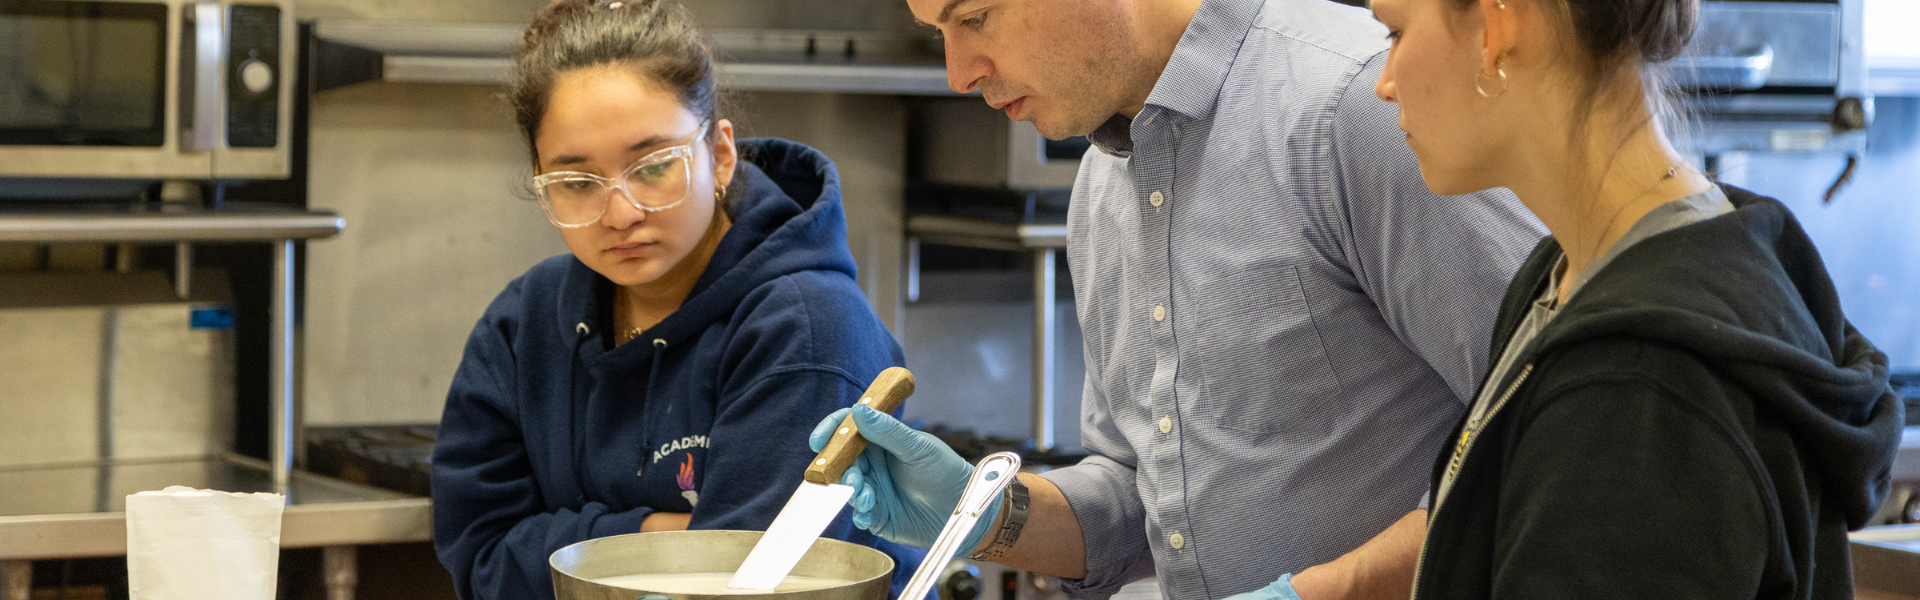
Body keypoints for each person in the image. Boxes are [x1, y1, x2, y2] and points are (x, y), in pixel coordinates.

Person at [811, 0, 1547, 599]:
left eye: (974, 18)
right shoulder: (1100, 187)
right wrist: (987, 514)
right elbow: (1146, 499)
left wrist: (1323, 593)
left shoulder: (1360, 105)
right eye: (936, 32)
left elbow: (1562, 440)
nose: (958, 74)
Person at [1364, 0, 1906, 596]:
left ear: (1496, 26)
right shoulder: (1574, 272)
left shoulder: (1635, 395)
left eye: (1396, 31)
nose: (1385, 84)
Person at [429, 1, 924, 598]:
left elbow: (754, 581)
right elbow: (479, 555)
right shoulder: (523, 323)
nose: (621, 214)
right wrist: (657, 535)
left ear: (719, 155)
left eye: (654, 166)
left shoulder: (806, 329)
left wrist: (567, 550)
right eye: (578, 183)